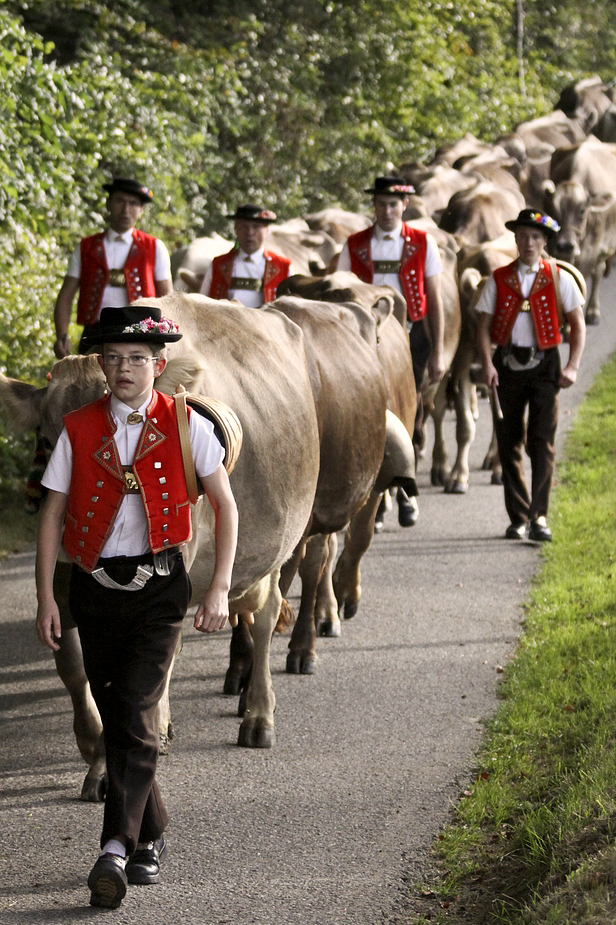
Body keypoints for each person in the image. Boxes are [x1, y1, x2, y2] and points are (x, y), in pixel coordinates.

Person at [35, 305, 239, 909]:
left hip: (160, 588)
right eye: (114, 358)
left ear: (160, 364)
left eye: (137, 359)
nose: (125, 369)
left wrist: (221, 586)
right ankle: (152, 832)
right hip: (93, 589)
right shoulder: (78, 427)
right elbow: (51, 513)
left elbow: (224, 505)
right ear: (101, 365)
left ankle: (115, 849)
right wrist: (46, 594)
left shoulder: (187, 424)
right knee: (121, 711)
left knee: (137, 709)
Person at [338, 175, 446, 528]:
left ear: (405, 206)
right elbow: (339, 294)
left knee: (407, 411)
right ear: (374, 206)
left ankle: (406, 490)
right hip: (364, 338)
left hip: (411, 337)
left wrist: (439, 350)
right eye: (381, 204)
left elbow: (434, 299)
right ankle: (376, 500)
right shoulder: (354, 245)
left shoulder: (423, 243)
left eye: (393, 204)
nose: (386, 210)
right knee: (369, 413)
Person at [475, 208, 586, 542]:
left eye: (536, 237)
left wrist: (572, 365)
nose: (529, 242)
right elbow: (482, 327)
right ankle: (518, 517)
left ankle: (539, 517)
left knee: (542, 442)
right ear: (515, 239)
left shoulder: (559, 277)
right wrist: (487, 363)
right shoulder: (498, 279)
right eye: (523, 236)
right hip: (507, 366)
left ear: (545, 241)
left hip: (545, 367)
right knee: (508, 442)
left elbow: (577, 325)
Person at [53, 178, 173, 358]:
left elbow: (168, 299)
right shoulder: (85, 247)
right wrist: (61, 335)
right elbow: (66, 295)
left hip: (140, 334)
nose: (126, 210)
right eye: (120, 201)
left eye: (133, 204)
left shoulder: (155, 248)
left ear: (141, 210)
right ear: (108, 203)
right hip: (95, 333)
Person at [200, 203, 291, 307]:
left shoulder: (283, 267)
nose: (250, 232)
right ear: (236, 229)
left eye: (256, 227)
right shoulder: (218, 265)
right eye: (244, 227)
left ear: (266, 230)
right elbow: (202, 302)